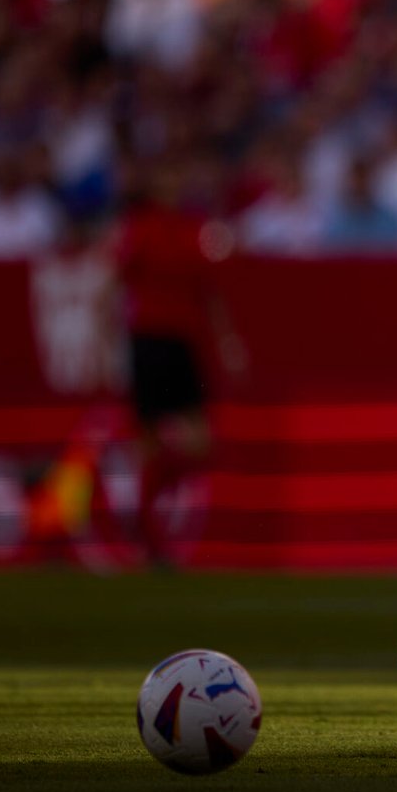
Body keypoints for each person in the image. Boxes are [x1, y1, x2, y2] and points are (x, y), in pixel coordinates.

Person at [108, 158, 245, 567]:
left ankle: (152, 505)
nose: (172, 186)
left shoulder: (194, 229)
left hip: (183, 342)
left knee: (201, 443)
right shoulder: (139, 227)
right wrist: (104, 340)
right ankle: (150, 542)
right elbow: (114, 284)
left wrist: (227, 339)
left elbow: (210, 291)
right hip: (147, 339)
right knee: (147, 442)